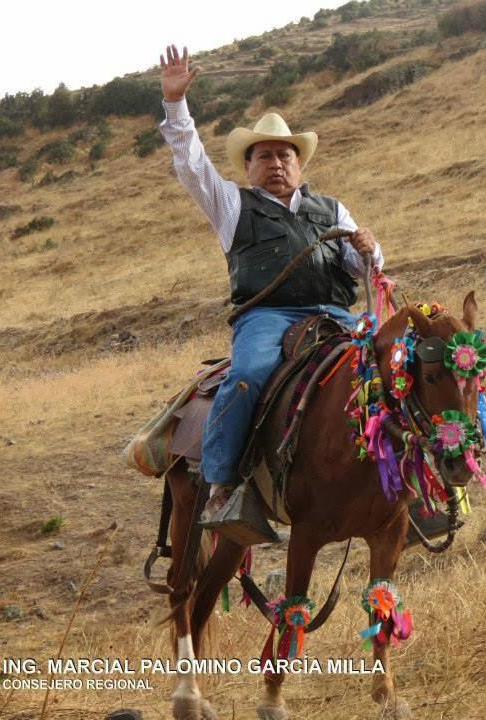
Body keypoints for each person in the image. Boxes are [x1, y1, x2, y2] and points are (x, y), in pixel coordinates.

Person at [158, 44, 383, 540]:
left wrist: (368, 249)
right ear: (249, 166)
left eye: (285, 155)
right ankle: (223, 486)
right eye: (264, 156)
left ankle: (406, 484)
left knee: (393, 371)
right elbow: (191, 164)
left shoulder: (332, 209)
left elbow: (362, 265)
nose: (276, 163)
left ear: (299, 163)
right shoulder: (231, 206)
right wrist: (176, 105)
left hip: (336, 316)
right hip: (268, 318)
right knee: (248, 376)